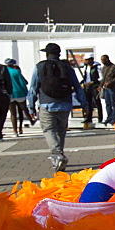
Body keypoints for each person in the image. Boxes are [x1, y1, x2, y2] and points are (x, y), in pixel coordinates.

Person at [27, 42, 87, 172]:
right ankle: (59, 157)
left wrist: (31, 107)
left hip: (46, 104)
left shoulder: (40, 66)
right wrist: (84, 105)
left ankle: (57, 154)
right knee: (61, 131)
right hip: (65, 104)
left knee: (49, 130)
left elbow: (33, 88)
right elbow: (77, 87)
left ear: (47, 54)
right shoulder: (67, 67)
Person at [4, 58, 31, 136]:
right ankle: (30, 120)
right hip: (19, 93)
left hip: (9, 94)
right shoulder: (16, 72)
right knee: (23, 109)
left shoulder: (4, 72)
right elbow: (22, 83)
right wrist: (26, 92)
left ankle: (14, 131)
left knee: (13, 113)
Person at [79, 53, 101, 129]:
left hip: (94, 86)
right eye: (86, 60)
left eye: (88, 60)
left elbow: (100, 77)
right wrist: (82, 83)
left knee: (97, 102)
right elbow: (85, 77)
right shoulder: (86, 67)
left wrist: (93, 82)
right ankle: (88, 117)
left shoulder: (97, 67)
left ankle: (100, 118)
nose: (87, 61)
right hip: (87, 87)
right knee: (88, 103)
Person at [99, 54, 115, 126]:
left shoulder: (114, 67)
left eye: (103, 60)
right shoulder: (104, 67)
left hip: (113, 87)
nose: (102, 61)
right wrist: (100, 86)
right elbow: (104, 78)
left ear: (107, 59)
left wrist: (110, 83)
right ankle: (109, 117)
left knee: (113, 103)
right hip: (106, 88)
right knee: (107, 103)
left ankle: (114, 118)